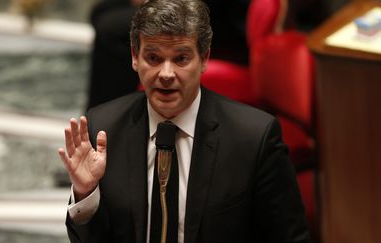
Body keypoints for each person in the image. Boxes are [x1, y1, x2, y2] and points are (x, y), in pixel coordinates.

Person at [58, 0, 311, 242]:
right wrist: (85, 193)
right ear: (135, 57)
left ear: (204, 58)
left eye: (181, 59)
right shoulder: (104, 129)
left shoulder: (254, 138)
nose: (166, 74)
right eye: (154, 58)